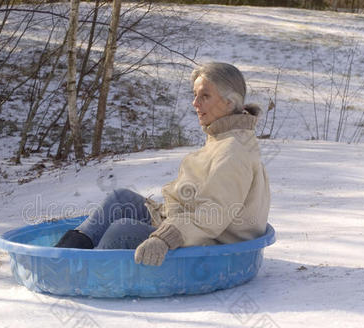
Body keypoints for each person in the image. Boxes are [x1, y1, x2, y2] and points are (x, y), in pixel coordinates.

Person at [55, 62, 271, 267]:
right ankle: (60, 258)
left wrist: (165, 238)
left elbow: (212, 216)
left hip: (216, 245)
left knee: (122, 230)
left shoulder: (233, 152)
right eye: (195, 95)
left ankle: (84, 275)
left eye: (205, 96)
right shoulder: (223, 137)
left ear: (229, 102)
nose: (195, 104)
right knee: (120, 200)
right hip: (189, 225)